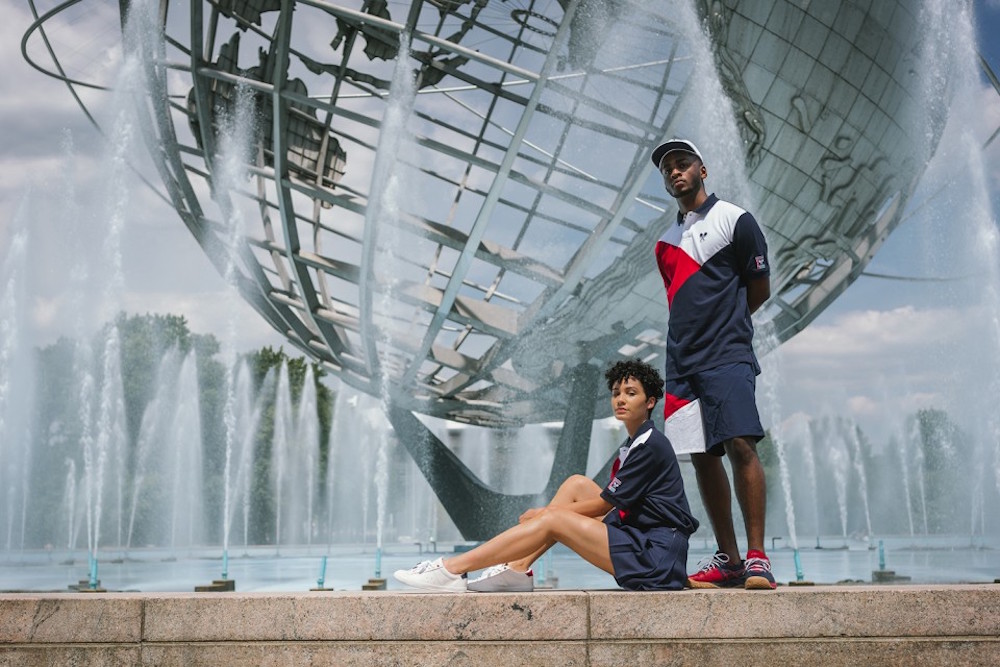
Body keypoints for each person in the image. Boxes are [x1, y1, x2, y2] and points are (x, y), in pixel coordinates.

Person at [393, 359, 698, 592]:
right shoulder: (635, 444)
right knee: (576, 484)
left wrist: (545, 514)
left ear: (649, 402)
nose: (620, 399)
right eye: (616, 393)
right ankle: (517, 567)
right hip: (644, 542)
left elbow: (604, 505)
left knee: (554, 520)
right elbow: (612, 504)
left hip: (654, 557)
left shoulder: (650, 445)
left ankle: (451, 569)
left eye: (631, 394)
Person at [650, 138, 775, 589]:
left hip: (726, 354)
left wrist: (728, 327)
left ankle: (757, 557)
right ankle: (730, 560)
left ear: (702, 170)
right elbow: (680, 301)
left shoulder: (735, 220)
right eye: (667, 168)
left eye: (683, 163)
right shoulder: (664, 243)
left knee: (741, 445)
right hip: (682, 363)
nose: (675, 171)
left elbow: (759, 288)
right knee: (702, 457)